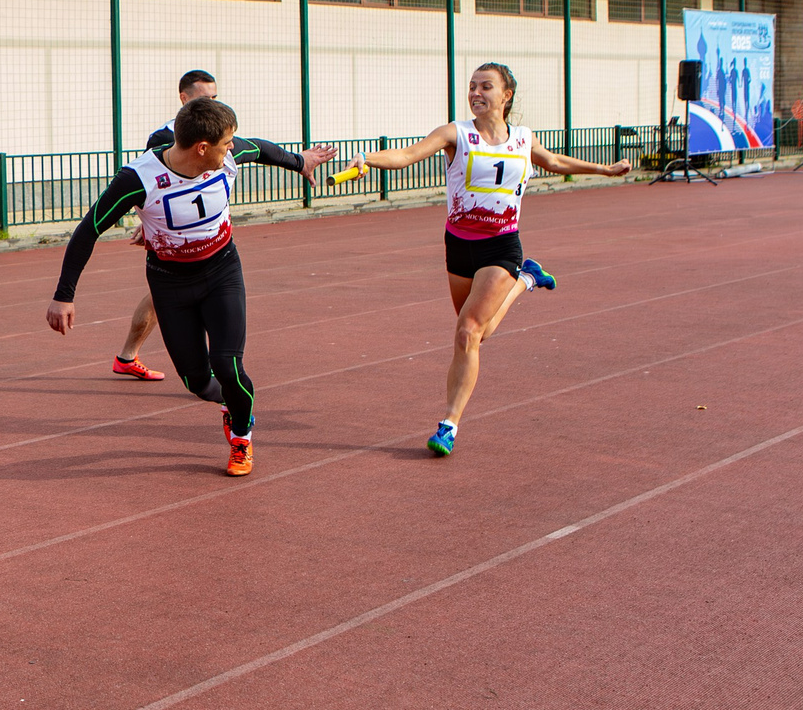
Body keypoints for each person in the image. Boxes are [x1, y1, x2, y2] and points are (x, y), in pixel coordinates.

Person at [46, 97, 336, 477]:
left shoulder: (228, 157)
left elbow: (260, 148)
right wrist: (64, 294)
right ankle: (230, 401)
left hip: (222, 273)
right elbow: (89, 230)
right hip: (170, 285)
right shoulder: (138, 179)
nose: (233, 147)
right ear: (202, 148)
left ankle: (242, 437)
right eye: (226, 142)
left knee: (228, 365)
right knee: (198, 382)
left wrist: (301, 162)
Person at [355, 63, 630, 458]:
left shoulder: (521, 139)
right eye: (472, 87)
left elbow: (554, 162)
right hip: (459, 245)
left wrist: (605, 169)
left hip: (501, 247)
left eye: (486, 86)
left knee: (467, 332)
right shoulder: (456, 134)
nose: (476, 93)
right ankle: (527, 280)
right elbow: (408, 154)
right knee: (478, 334)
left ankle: (448, 424)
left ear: (507, 96)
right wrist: (369, 159)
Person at [107, 70, 337, 383]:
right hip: (178, 242)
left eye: (216, 97)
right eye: (206, 98)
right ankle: (198, 366)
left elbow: (254, 147)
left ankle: (128, 357)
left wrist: (299, 161)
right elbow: (151, 185)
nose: (214, 103)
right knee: (179, 296)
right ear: (184, 99)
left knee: (165, 298)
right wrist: (146, 223)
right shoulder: (166, 139)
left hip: (204, 235)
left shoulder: (216, 134)